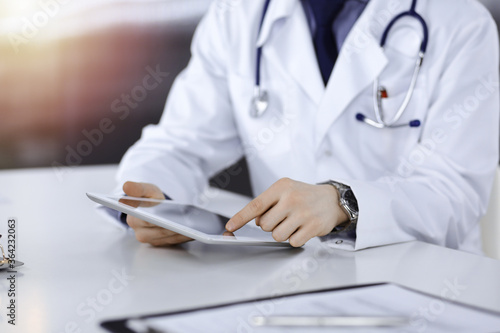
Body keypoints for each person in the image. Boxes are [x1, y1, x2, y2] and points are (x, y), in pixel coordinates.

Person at [115, 0, 499, 253]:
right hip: (288, 282)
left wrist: (343, 202)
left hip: (423, 287)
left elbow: (454, 190)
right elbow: (180, 143)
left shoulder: (461, 23)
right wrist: (155, 201)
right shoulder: (238, 15)